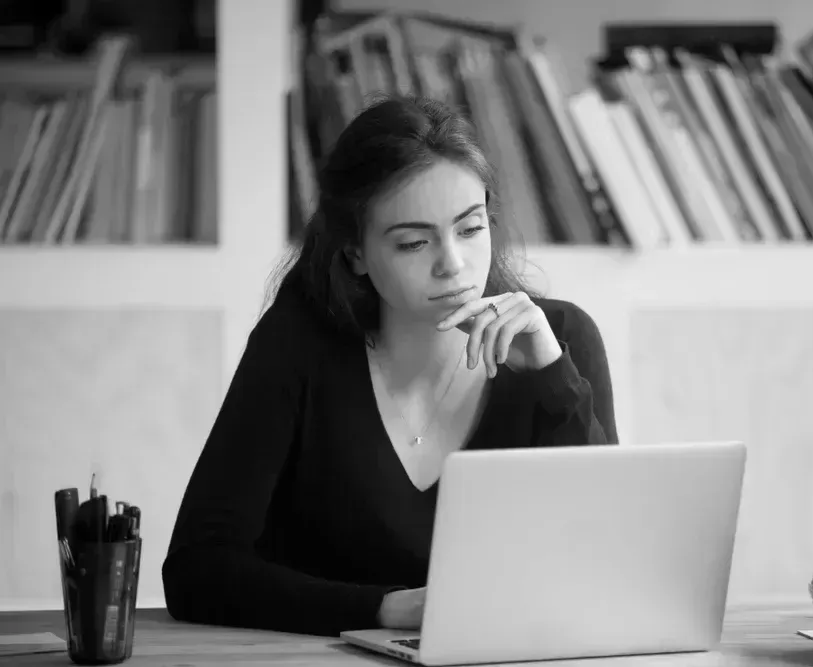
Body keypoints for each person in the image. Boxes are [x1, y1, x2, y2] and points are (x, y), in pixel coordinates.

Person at [161, 95, 618, 638]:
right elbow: (197, 570)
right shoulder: (298, 346)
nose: (452, 264)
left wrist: (552, 376)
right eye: (413, 242)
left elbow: (603, 562)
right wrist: (383, 610)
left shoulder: (560, 339)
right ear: (355, 252)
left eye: (471, 229)